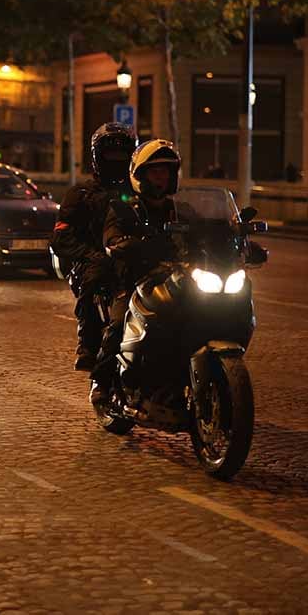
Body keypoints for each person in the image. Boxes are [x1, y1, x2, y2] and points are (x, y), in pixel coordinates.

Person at [92, 139, 185, 406]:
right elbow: (112, 237)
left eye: (166, 172)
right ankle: (102, 380)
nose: (162, 177)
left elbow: (206, 234)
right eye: (155, 171)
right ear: (141, 175)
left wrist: (238, 242)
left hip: (175, 279)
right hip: (134, 279)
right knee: (119, 321)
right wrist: (122, 243)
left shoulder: (180, 210)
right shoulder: (124, 208)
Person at [50, 122, 137, 372]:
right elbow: (61, 238)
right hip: (93, 261)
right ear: (97, 156)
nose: (117, 160)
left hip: (133, 258)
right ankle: (87, 344)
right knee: (94, 279)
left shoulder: (143, 192)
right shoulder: (81, 194)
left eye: (123, 154)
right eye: (111, 154)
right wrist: (91, 255)